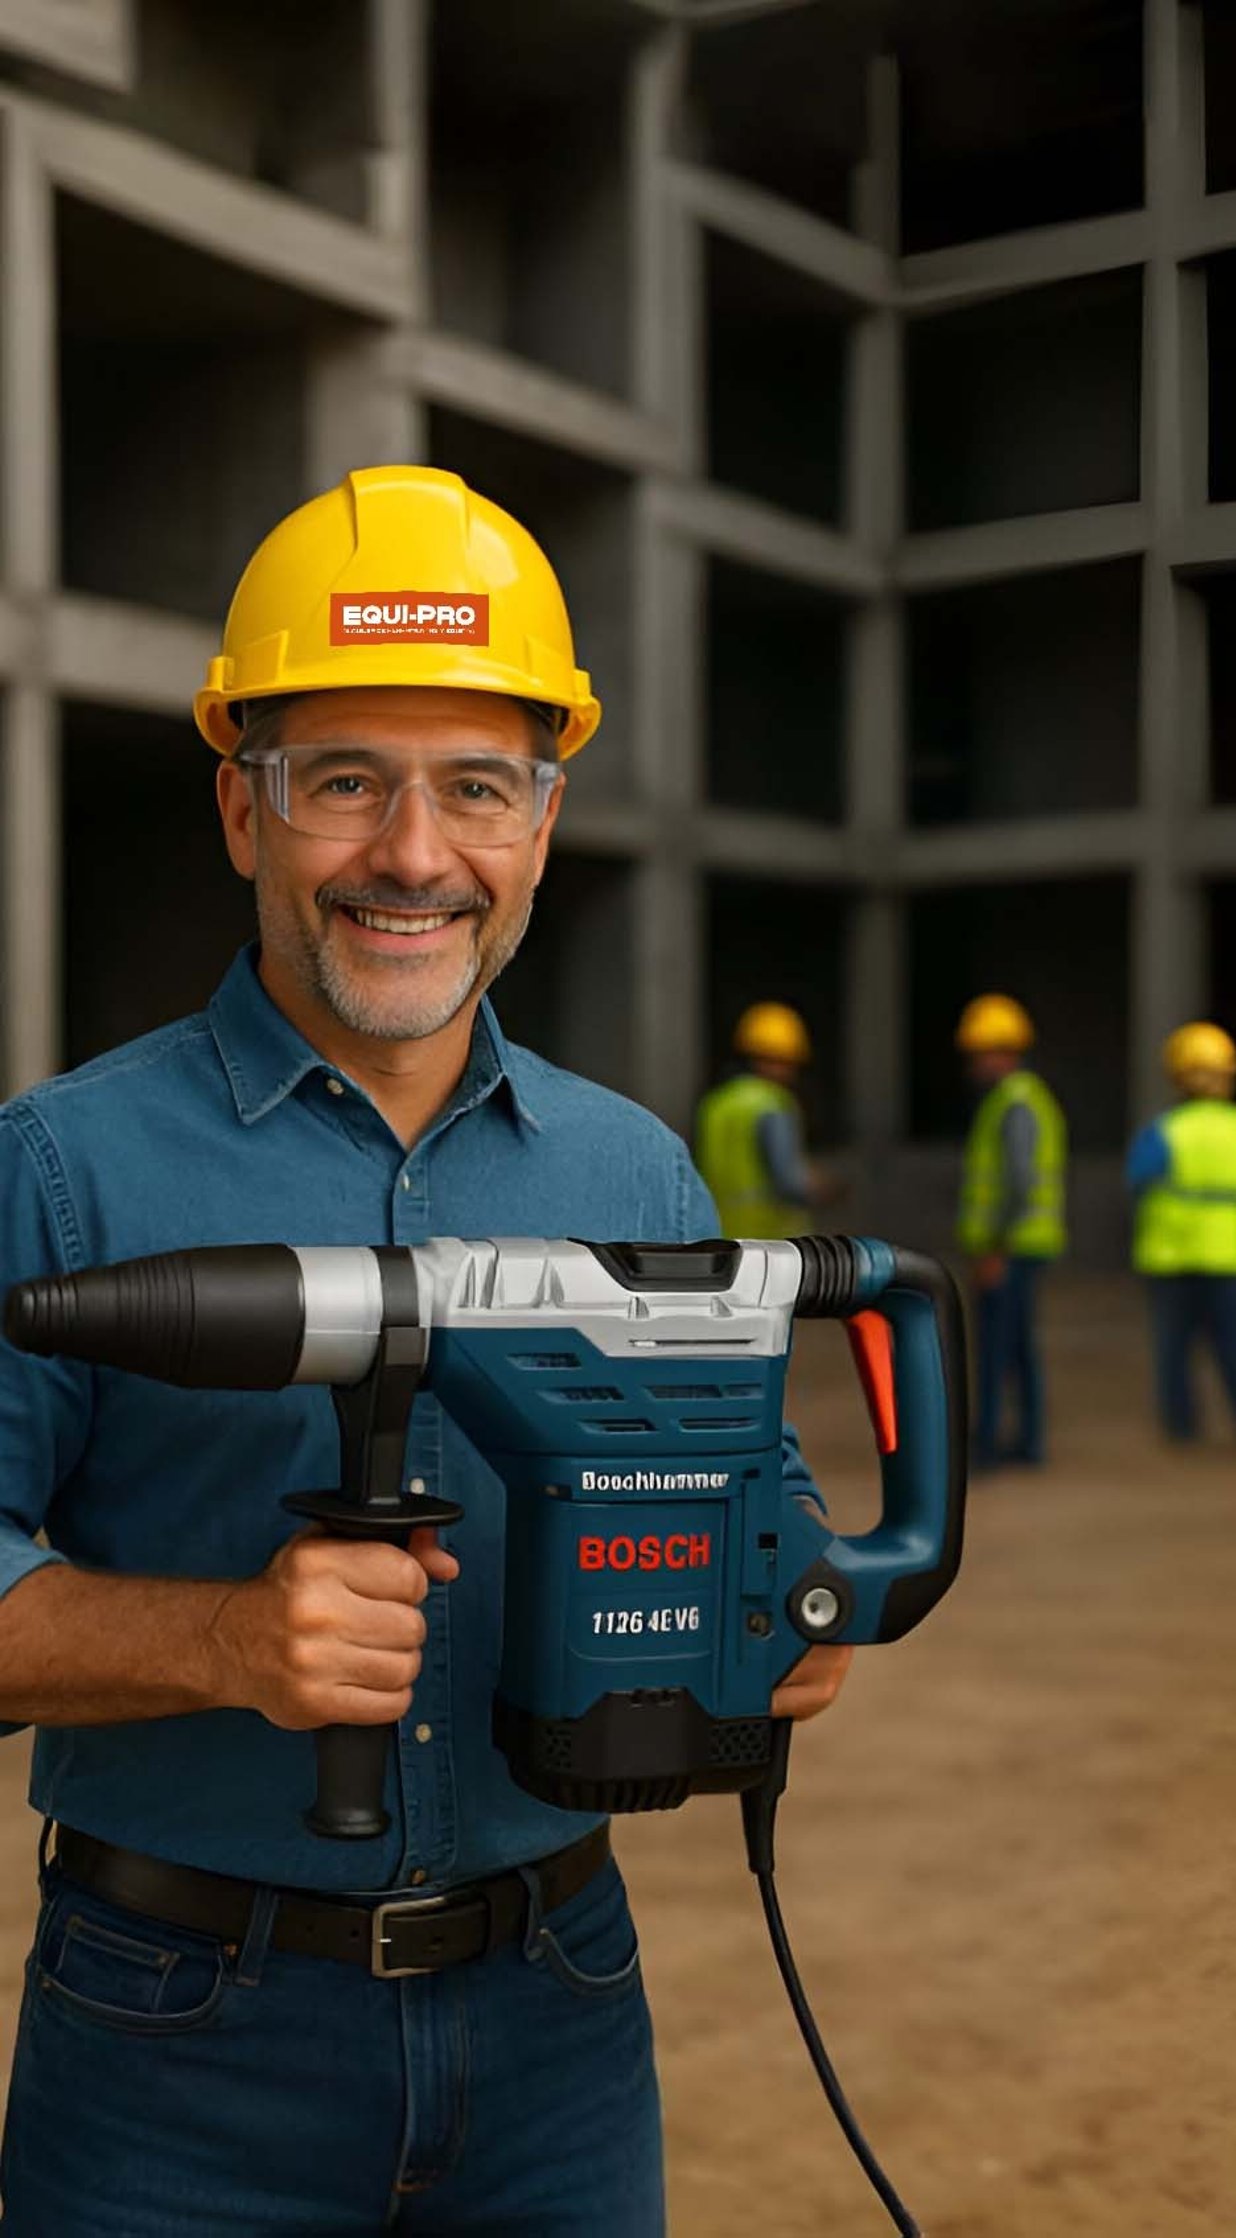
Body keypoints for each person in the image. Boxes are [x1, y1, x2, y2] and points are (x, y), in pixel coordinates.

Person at [0, 465, 851, 2236]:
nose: (413, 853)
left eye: (477, 786)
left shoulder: (638, 1169)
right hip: (177, 2032)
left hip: (564, 2009)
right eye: (344, 784)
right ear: (244, 810)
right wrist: (229, 1638)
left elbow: (754, 1503)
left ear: (542, 822)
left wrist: (785, 1604)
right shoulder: (62, 1167)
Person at [1127, 1022, 1236, 1449]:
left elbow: (1137, 1179)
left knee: (1174, 1353)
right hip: (1229, 1253)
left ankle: (1182, 1429)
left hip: (1173, 1254)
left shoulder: (1166, 1130)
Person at [953, 993, 1066, 1470]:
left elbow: (1018, 1182)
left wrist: (995, 1247)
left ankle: (989, 1449)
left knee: (996, 1349)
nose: (975, 1064)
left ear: (1004, 1051)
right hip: (1020, 1244)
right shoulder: (1016, 1100)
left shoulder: (1015, 1103)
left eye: (981, 1052)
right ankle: (1028, 1443)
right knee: (1017, 1347)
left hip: (1011, 1247)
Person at [694, 1002, 824, 1237]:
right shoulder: (773, 1103)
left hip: (720, 1236)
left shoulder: (717, 1102)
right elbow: (790, 1184)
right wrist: (825, 1188)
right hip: (773, 1243)